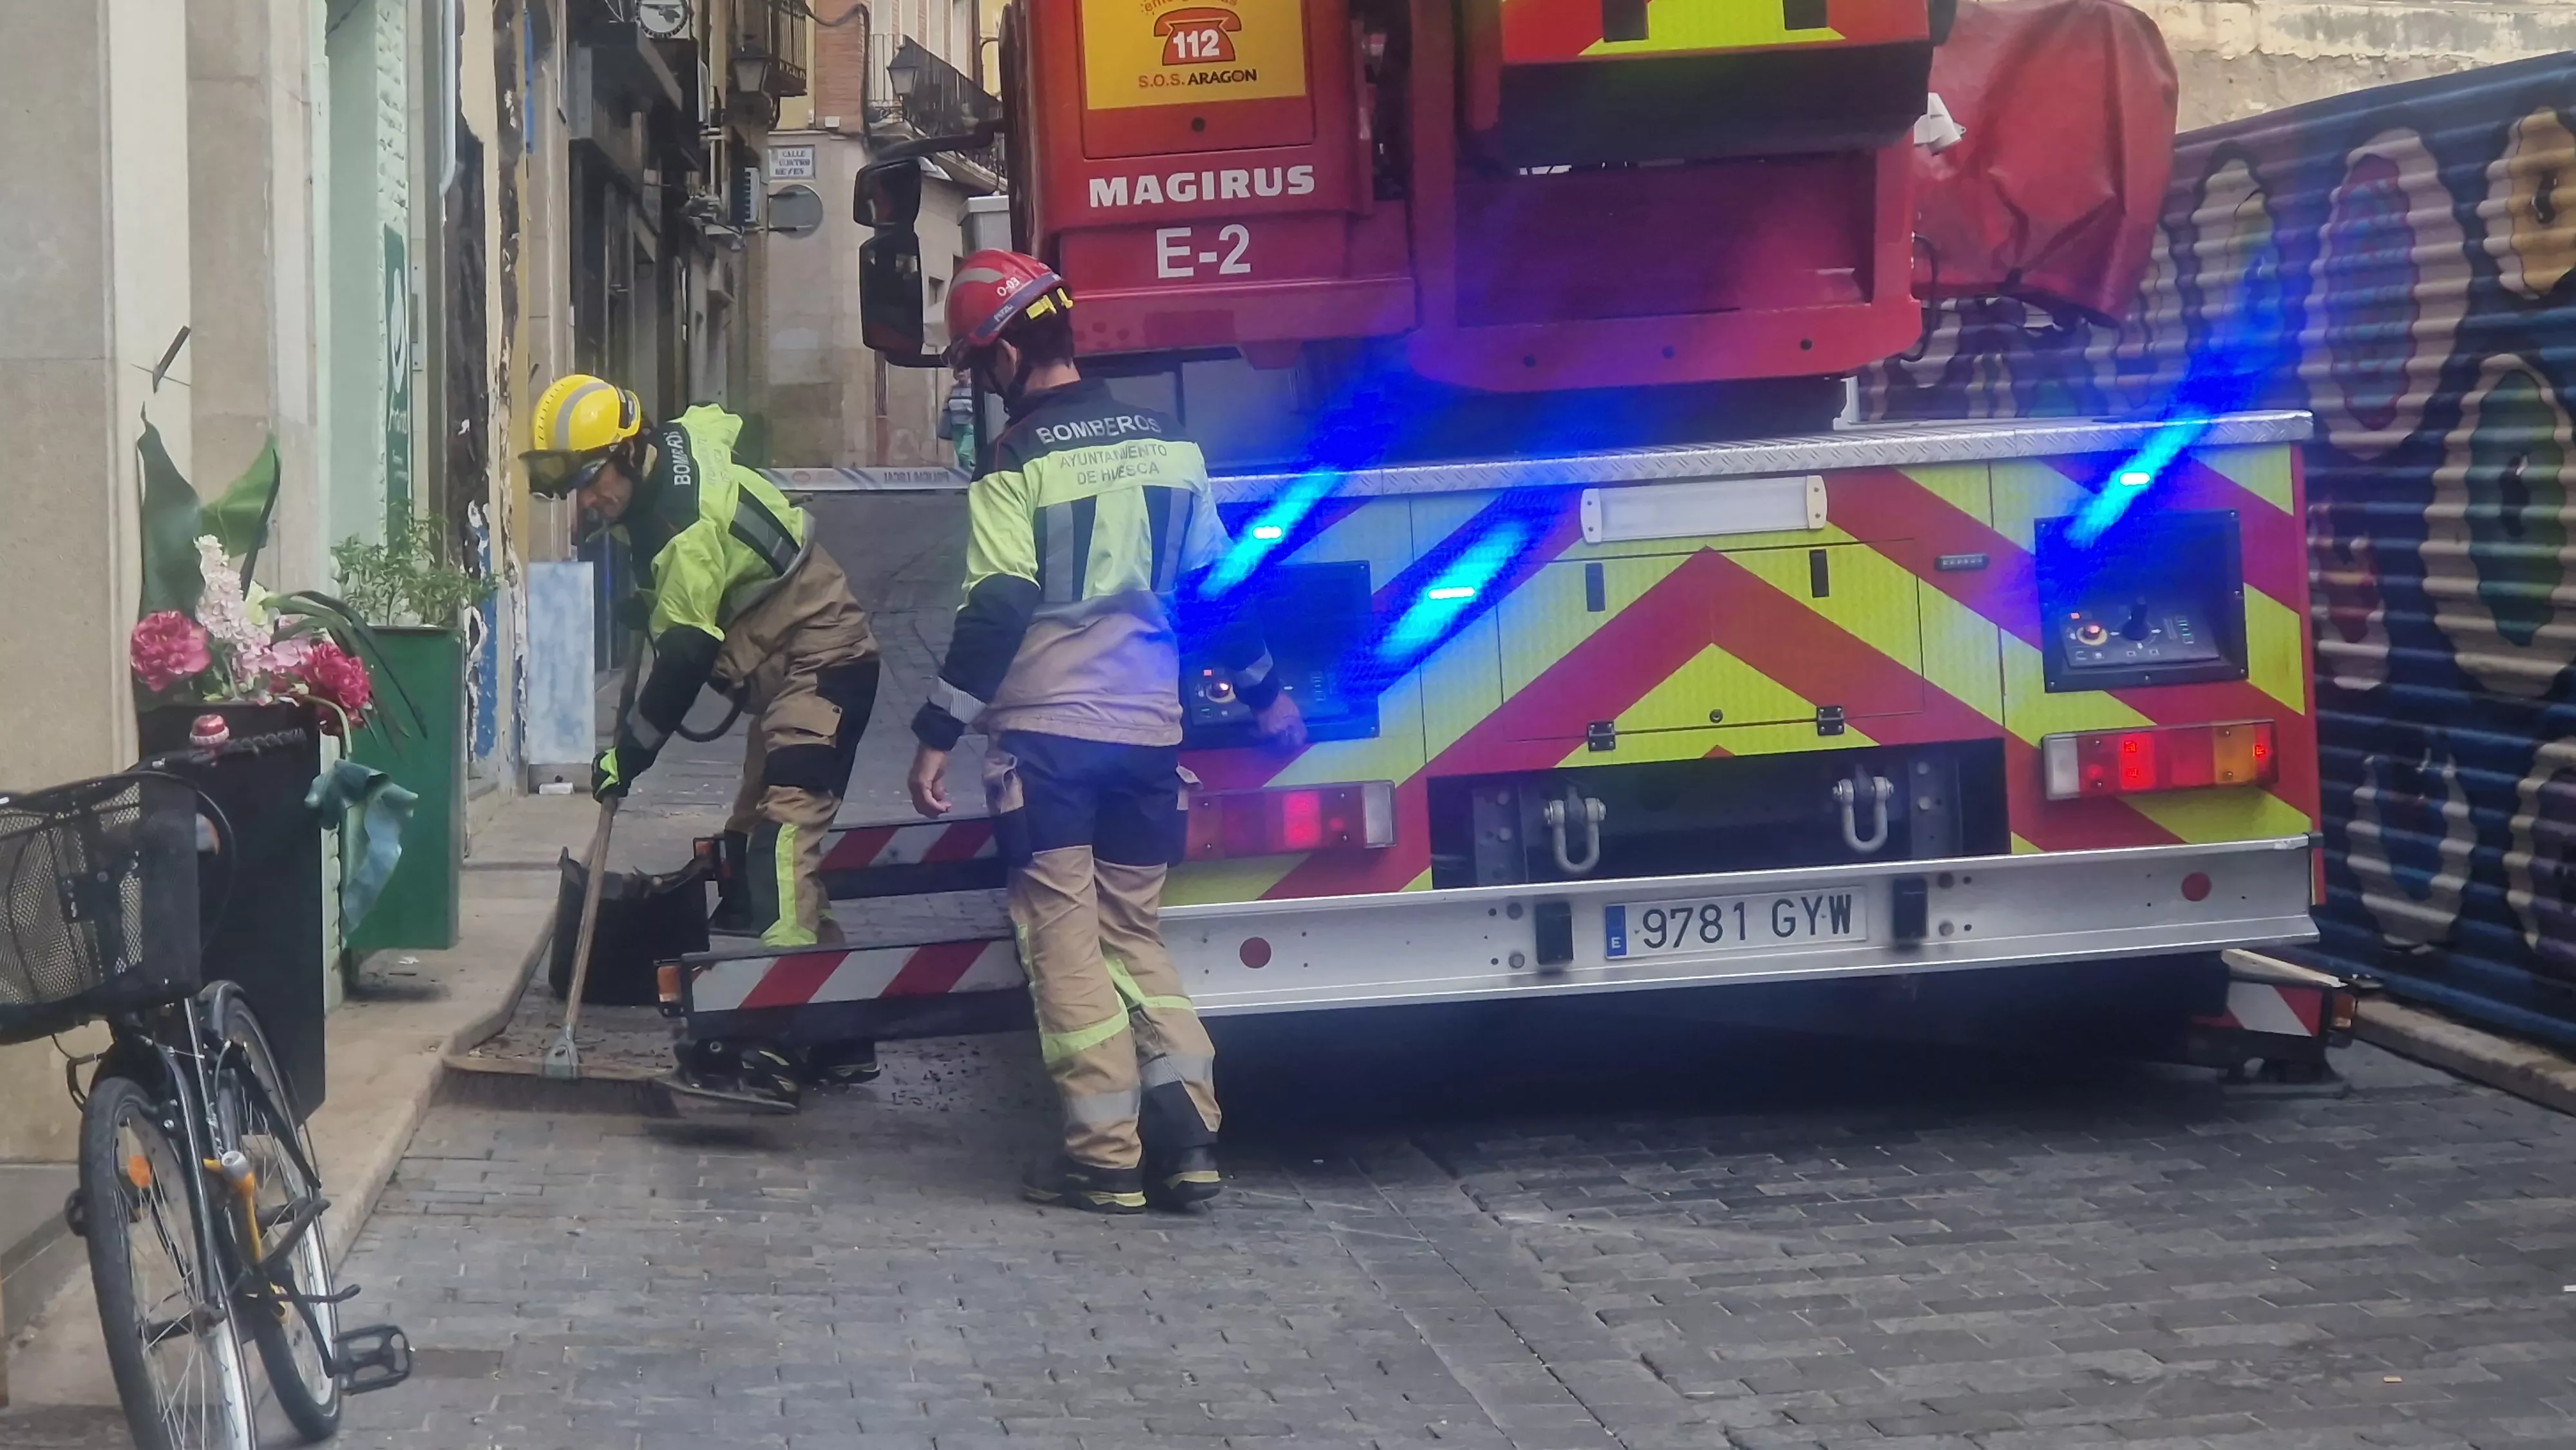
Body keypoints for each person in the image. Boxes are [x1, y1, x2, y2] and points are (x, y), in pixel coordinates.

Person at [907, 252, 1304, 1213]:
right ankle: (1189, 1139)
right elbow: (1219, 594)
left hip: (1049, 741)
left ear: (1002, 354)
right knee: (1136, 931)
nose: (977, 383)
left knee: (1066, 940)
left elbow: (1000, 604)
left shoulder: (1016, 466)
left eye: (974, 364)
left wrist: (936, 730)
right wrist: (1267, 700)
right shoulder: (1171, 443)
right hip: (1146, 737)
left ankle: (1104, 1156)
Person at [520, 375, 882, 1104]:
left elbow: (685, 657)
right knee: (752, 851)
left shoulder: (685, 529)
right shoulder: (671, 451)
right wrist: (649, 599)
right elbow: (718, 421)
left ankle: (774, 1041)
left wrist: (629, 752)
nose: (587, 502)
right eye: (576, 490)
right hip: (783, 673)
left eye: (593, 483)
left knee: (781, 843)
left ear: (630, 452)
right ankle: (840, 1033)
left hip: (824, 657)